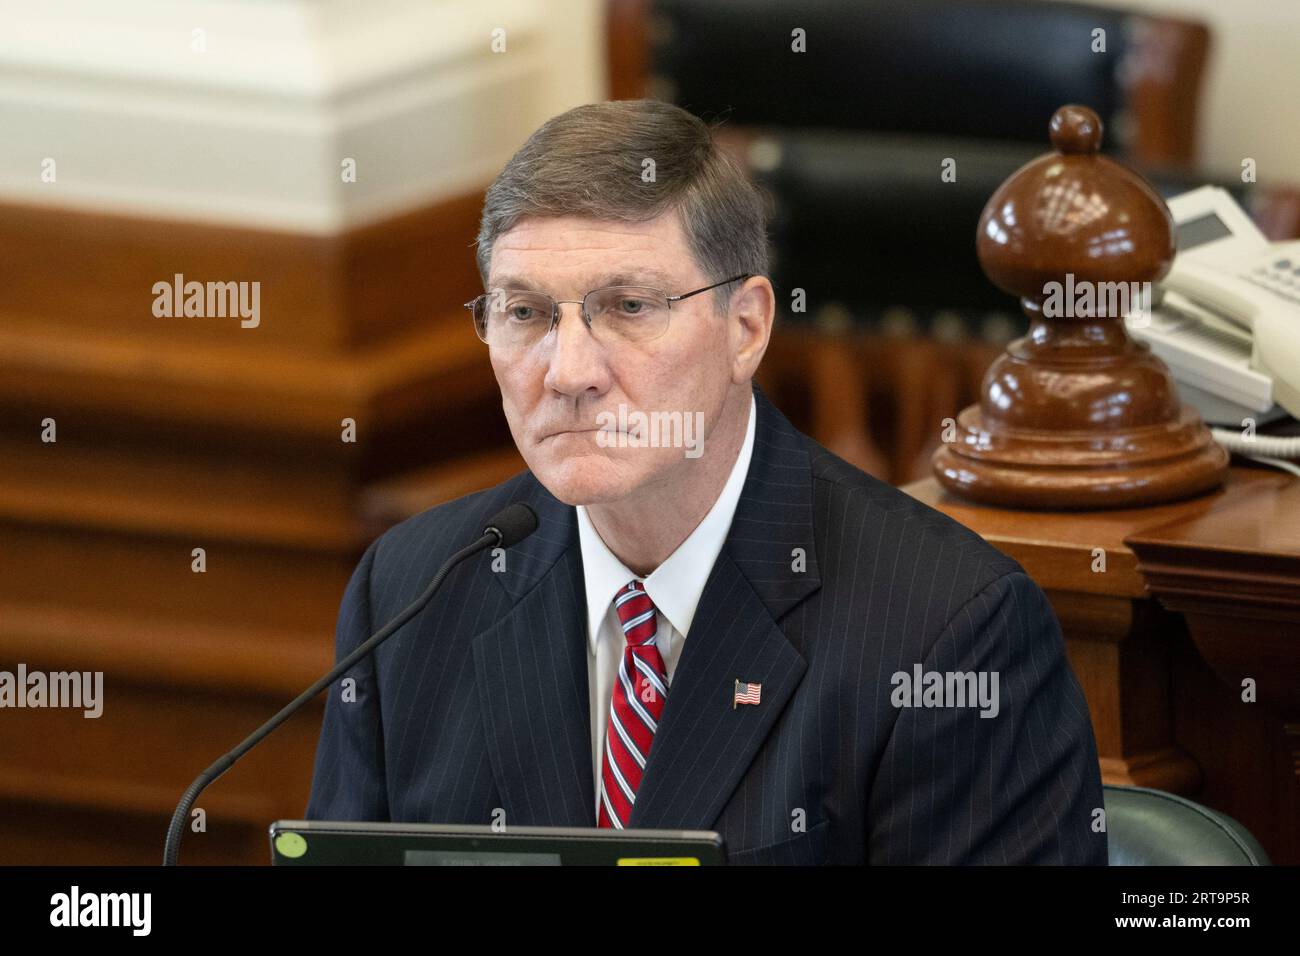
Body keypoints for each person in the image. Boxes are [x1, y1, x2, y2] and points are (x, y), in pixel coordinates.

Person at [306, 99, 1108, 864]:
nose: (569, 371)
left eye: (627, 305)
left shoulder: (950, 632)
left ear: (746, 328)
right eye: (525, 313)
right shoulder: (413, 593)